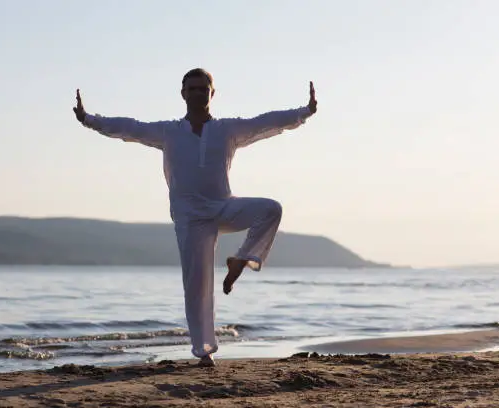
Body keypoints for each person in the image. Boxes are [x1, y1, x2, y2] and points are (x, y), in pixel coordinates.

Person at [73, 68, 317, 367]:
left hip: (223, 206)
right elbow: (130, 128)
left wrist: (304, 112)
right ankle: (205, 352)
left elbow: (263, 123)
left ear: (212, 93)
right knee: (197, 284)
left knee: (270, 209)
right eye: (192, 89)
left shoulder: (227, 130)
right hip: (191, 217)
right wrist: (89, 120)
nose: (198, 93)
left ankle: (241, 259)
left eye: (204, 88)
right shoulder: (169, 132)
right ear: (183, 94)